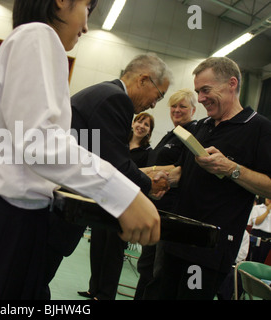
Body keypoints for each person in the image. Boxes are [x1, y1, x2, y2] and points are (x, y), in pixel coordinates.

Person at [0, 0, 161, 300]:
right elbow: (38, 142)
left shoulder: (37, 42)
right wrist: (122, 194)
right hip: (5, 221)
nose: (86, 25)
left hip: (11, 219)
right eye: (87, 8)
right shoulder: (38, 35)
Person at [143, 57, 271, 300]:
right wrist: (160, 179)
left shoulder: (259, 129)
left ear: (232, 84)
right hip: (175, 239)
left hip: (209, 251)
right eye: (198, 91)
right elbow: (184, 171)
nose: (200, 98)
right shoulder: (201, 126)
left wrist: (233, 168)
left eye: (205, 90)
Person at [46, 53, 171, 301]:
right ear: (144, 79)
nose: (154, 104)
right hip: (56, 212)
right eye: (158, 96)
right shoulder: (117, 99)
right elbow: (115, 163)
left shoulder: (103, 92)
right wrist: (150, 185)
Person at [134, 88, 198, 299]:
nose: (177, 110)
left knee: (156, 271)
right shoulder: (173, 134)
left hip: (169, 211)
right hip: (154, 207)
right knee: (146, 266)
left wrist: (133, 173)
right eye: (174, 106)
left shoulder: (191, 134)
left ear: (193, 110)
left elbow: (179, 171)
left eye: (183, 106)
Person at [247, 197, 271, 263]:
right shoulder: (257, 208)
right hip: (257, 235)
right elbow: (256, 222)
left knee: (263, 260)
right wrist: (267, 211)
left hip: (268, 238)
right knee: (252, 258)